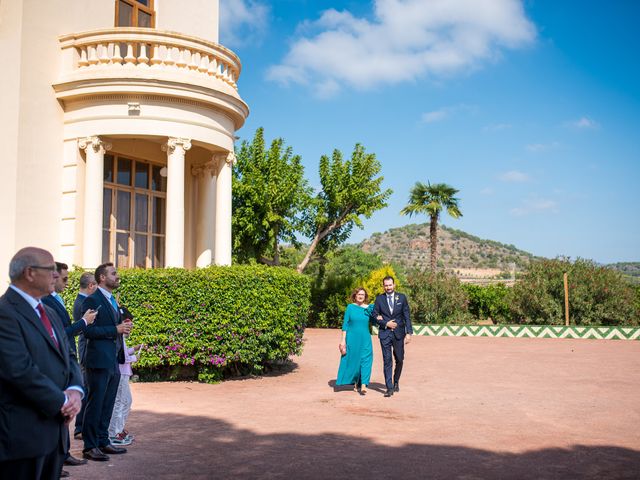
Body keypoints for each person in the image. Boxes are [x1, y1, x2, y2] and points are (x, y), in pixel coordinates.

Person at [0, 247, 84, 480]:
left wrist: (76, 391)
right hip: (22, 437)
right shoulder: (5, 313)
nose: (56, 276)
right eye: (51, 270)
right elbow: (19, 370)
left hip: (53, 435)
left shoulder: (49, 311)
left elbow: (68, 356)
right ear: (29, 273)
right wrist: (63, 402)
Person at [42, 263, 97, 473]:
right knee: (58, 411)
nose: (66, 282)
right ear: (53, 277)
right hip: (56, 361)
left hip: (65, 359)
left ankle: (63, 455)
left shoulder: (56, 299)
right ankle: (56, 459)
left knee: (65, 411)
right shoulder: (46, 301)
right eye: (64, 279)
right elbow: (60, 333)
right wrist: (84, 322)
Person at [81, 263, 132, 461]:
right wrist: (115, 330)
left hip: (113, 360)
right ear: (102, 278)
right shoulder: (92, 300)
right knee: (96, 403)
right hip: (98, 361)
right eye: (113, 273)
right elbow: (87, 331)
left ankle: (103, 440)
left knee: (108, 403)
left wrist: (124, 327)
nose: (117, 276)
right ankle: (90, 446)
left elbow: (115, 327)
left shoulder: (112, 301)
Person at [371, 276, 413, 397]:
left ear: (394, 285)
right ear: (383, 286)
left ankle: (396, 381)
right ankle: (389, 387)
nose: (388, 287)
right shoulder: (379, 299)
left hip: (399, 334)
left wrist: (409, 333)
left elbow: (407, 316)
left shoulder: (402, 298)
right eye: (386, 285)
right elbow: (374, 315)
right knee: (387, 360)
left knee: (399, 359)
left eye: (390, 285)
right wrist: (385, 323)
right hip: (385, 334)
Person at [72, 272, 98, 440]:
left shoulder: (81, 300)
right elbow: (83, 327)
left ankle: (81, 426)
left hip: (85, 347)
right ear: (91, 285)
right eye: (95, 285)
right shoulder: (82, 302)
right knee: (86, 387)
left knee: (87, 387)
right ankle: (80, 427)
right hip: (85, 348)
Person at [336, 287, 374, 395]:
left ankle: (364, 384)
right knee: (354, 360)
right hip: (352, 339)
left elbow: (377, 319)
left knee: (367, 359)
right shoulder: (350, 307)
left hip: (365, 338)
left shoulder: (369, 309)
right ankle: (356, 381)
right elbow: (345, 324)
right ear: (355, 296)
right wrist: (343, 340)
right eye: (358, 294)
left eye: (363, 294)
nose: (361, 296)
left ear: (365, 296)